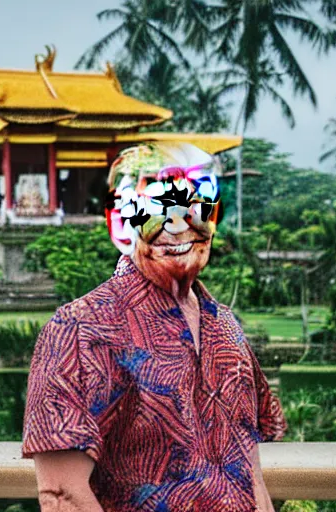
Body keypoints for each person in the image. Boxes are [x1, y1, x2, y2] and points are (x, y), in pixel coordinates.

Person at [22, 143, 287, 512]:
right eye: (156, 213)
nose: (177, 229)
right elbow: (62, 495)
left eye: (193, 210)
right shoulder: (80, 329)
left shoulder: (224, 324)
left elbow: (249, 472)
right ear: (123, 221)